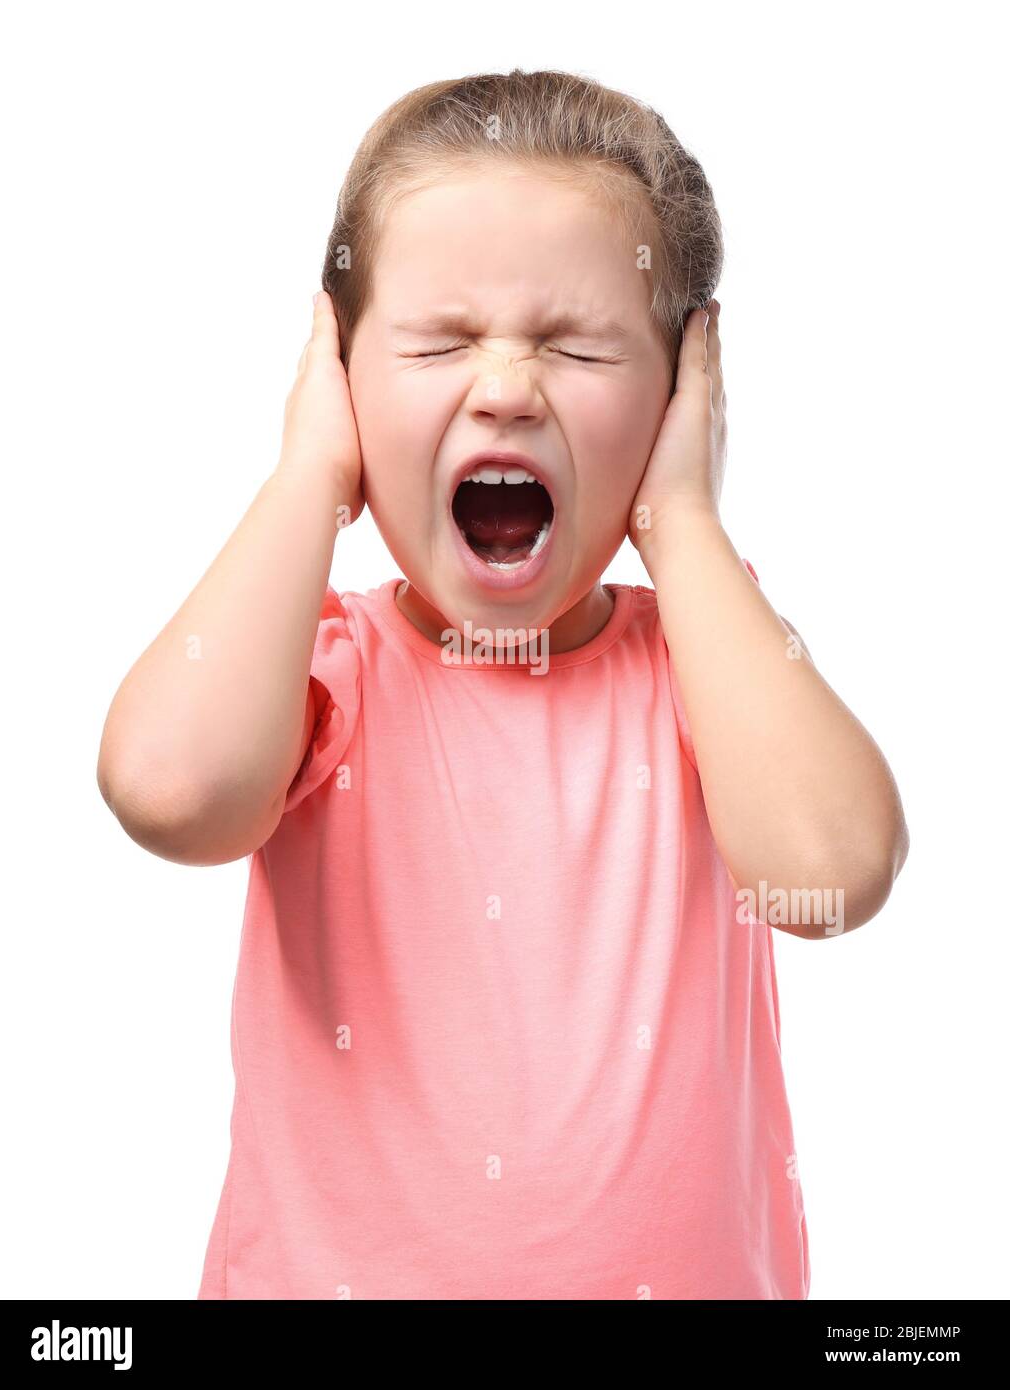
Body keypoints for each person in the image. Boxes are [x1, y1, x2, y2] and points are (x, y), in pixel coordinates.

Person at [97, 69, 909, 1300]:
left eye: (578, 346)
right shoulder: (325, 670)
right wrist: (306, 476)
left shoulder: (703, 660)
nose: (508, 387)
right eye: (438, 341)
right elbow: (168, 791)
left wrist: (682, 517)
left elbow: (837, 871)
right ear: (344, 374)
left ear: (682, 396)